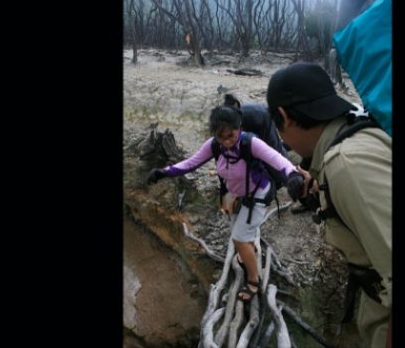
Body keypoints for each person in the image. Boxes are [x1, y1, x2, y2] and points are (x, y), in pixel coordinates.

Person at [266, 61, 391, 348]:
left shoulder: (346, 164)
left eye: (278, 128)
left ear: (283, 116)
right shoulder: (357, 131)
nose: (284, 141)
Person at [146, 104, 304, 302]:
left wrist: (293, 176)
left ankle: (254, 280)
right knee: (238, 233)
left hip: (256, 194)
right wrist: (163, 172)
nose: (227, 142)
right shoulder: (213, 145)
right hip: (231, 195)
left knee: (238, 238)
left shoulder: (251, 143)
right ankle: (249, 250)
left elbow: (277, 160)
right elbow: (191, 163)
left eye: (232, 135)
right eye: (222, 137)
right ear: (215, 134)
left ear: (239, 128)